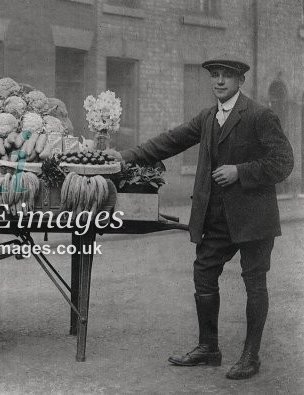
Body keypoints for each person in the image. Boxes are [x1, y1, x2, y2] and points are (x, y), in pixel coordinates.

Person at [106, 57, 293, 379]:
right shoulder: (208, 117)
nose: (219, 82)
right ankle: (209, 348)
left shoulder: (260, 115)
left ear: (240, 82)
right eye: (215, 76)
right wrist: (124, 156)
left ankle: (251, 356)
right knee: (204, 275)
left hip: (253, 218)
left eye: (226, 77)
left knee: (254, 283)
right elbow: (170, 141)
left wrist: (241, 171)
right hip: (217, 217)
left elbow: (283, 162)